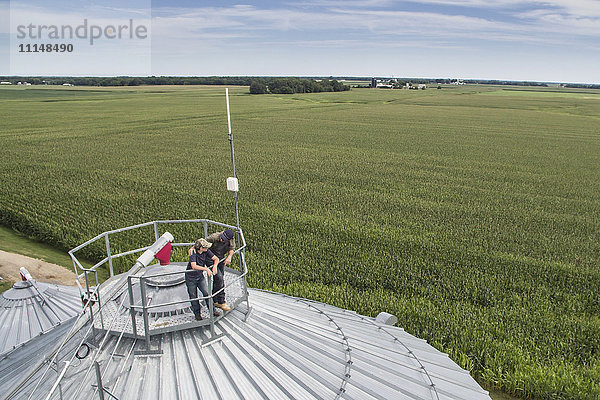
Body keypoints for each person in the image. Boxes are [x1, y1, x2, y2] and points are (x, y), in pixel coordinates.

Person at [189, 229, 235, 312]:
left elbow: (231, 249)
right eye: (221, 238)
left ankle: (214, 299)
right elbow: (201, 243)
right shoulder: (214, 237)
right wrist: (192, 248)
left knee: (218, 279)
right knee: (219, 278)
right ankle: (221, 301)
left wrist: (229, 257)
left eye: (223, 240)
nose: (221, 240)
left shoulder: (231, 239)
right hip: (210, 259)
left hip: (219, 259)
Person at [186, 238, 221, 321]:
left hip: (200, 276)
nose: (207, 249)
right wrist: (206, 269)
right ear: (200, 248)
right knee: (194, 296)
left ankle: (213, 311)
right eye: (205, 247)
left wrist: (215, 266)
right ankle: (197, 314)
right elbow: (193, 266)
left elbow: (216, 259)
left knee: (206, 293)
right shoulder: (193, 252)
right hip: (190, 278)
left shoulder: (206, 251)